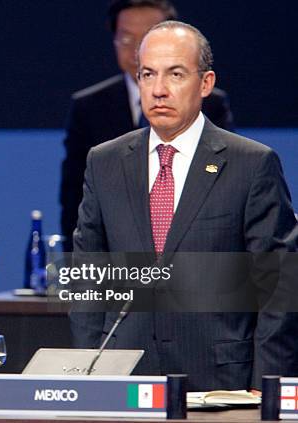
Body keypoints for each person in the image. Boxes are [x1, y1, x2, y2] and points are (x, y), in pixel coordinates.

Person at [69, 21, 298, 391]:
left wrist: (266, 386)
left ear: (206, 83)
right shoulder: (104, 162)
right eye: (147, 74)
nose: (159, 90)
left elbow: (279, 286)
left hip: (223, 381)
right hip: (124, 377)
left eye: (175, 74)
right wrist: (89, 372)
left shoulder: (251, 164)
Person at [60, 0, 234, 249]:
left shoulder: (213, 106)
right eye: (127, 39)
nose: (136, 50)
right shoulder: (89, 110)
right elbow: (74, 203)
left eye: (148, 37)